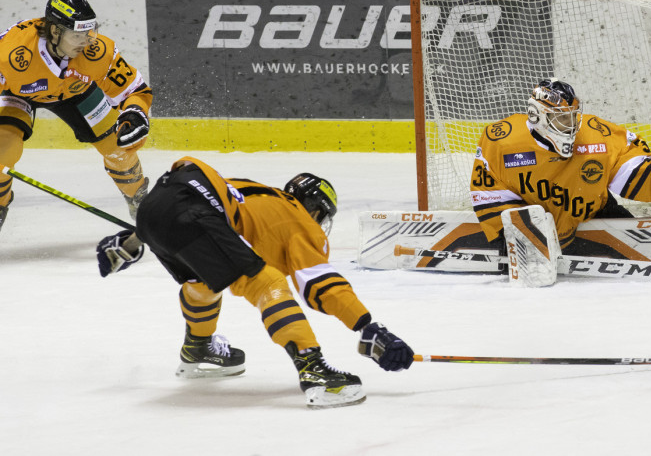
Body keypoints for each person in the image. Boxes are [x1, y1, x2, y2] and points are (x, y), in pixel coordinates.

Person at [95, 156, 414, 409]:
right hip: (192, 208)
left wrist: (133, 242)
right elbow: (321, 284)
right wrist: (367, 326)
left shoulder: (262, 198)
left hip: (157, 206)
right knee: (267, 283)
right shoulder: (298, 219)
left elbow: (179, 204)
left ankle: (198, 346)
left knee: (205, 283)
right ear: (314, 209)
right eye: (321, 215)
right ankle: (313, 368)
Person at [470, 78, 651, 257]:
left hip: (591, 209)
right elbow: (488, 190)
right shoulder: (502, 140)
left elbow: (625, 157)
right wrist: (514, 233)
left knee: (637, 250)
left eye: (572, 115)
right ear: (536, 116)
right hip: (533, 219)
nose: (570, 124)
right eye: (561, 117)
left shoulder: (595, 132)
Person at [0, 0, 152, 233]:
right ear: (55, 31)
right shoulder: (11, 53)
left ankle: (140, 201)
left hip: (75, 91)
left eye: (90, 31)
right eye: (78, 34)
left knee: (117, 148)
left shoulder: (97, 51)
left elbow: (136, 89)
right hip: (17, 94)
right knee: (3, 149)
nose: (88, 40)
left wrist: (135, 112)